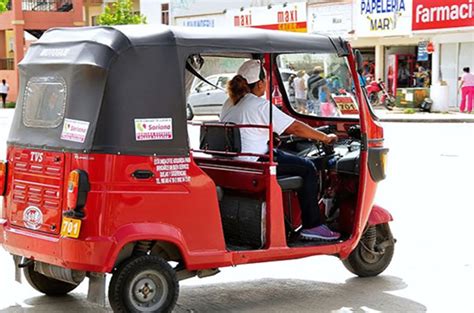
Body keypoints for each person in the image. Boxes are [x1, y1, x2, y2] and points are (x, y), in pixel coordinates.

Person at [220, 59, 340, 241]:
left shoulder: (229, 104)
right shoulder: (259, 105)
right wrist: (325, 137)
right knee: (308, 168)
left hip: (238, 163)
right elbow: (295, 128)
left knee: (289, 159)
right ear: (260, 83)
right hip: (257, 163)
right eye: (266, 81)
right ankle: (312, 226)